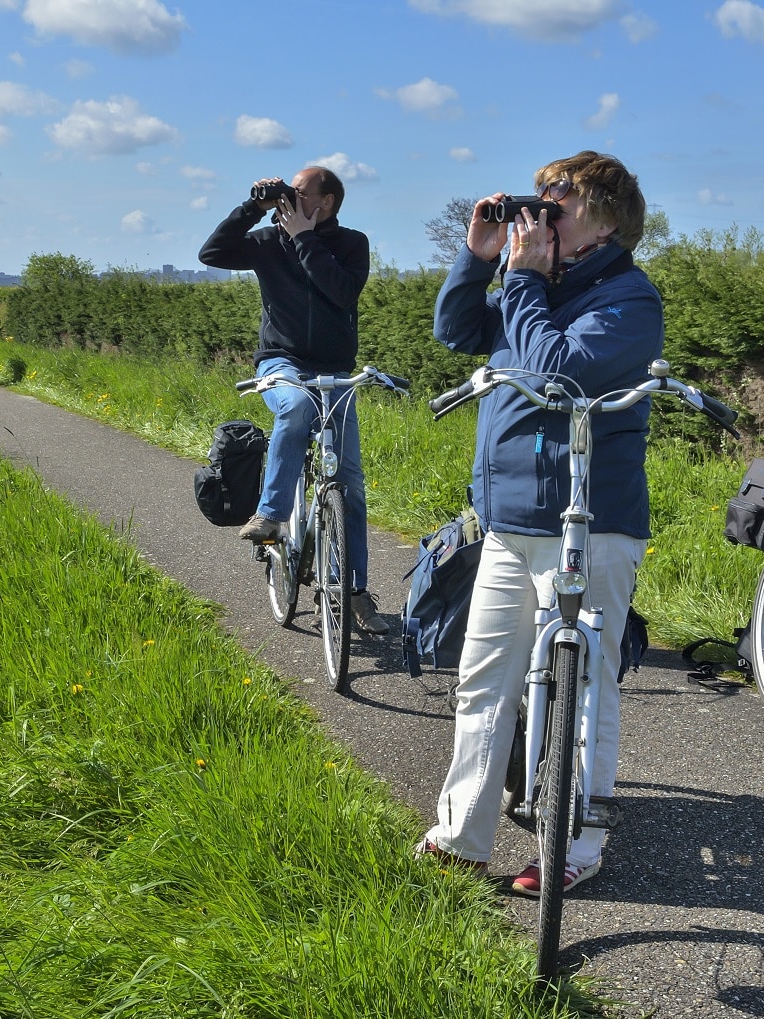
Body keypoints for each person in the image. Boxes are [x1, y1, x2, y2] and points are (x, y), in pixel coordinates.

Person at [417, 151, 661, 897]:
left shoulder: (626, 298)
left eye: (561, 197)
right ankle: (462, 835)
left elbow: (563, 375)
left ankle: (577, 844)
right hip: (509, 518)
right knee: (484, 678)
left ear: (606, 218)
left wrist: (521, 278)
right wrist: (479, 257)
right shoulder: (536, 283)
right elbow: (458, 330)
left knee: (584, 684)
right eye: (542, 194)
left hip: (591, 522)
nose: (544, 206)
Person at [198, 166, 390, 636]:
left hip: (334, 372)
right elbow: (212, 253)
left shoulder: (351, 244)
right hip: (280, 363)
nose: (286, 196)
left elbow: (341, 291)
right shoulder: (266, 241)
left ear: (324, 202)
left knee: (349, 484)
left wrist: (305, 238)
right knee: (298, 407)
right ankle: (272, 514)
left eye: (297, 192)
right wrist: (254, 207)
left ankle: (355, 592)